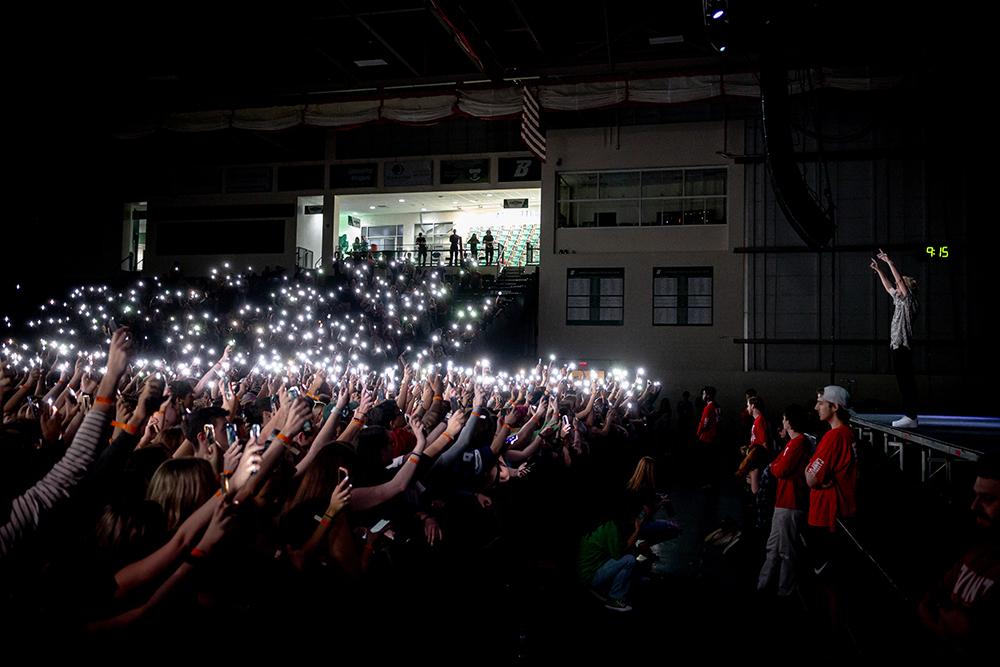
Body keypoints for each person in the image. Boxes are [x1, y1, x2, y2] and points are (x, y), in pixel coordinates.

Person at [918, 452, 1000, 655]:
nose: (974, 506)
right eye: (975, 496)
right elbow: (928, 600)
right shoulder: (978, 551)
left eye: (988, 499)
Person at [805, 385, 858, 632]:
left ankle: (831, 630)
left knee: (828, 580)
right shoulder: (847, 435)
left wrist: (813, 474)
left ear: (834, 407)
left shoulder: (834, 437)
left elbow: (811, 478)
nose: (816, 407)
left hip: (827, 516)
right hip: (837, 514)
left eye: (821, 402)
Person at [757, 404, 812, 597]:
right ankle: (765, 585)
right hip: (784, 502)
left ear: (789, 421)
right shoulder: (793, 443)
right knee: (774, 547)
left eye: (784, 418)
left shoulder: (798, 443)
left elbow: (780, 469)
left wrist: (774, 468)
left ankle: (784, 590)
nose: (782, 422)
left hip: (791, 503)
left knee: (786, 550)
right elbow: (777, 465)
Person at [871, 249, 919, 428]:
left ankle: (911, 416)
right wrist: (879, 270)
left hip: (903, 346)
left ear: (906, 289)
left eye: (900, 287)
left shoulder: (909, 301)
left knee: (906, 382)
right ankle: (909, 415)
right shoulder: (899, 300)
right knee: (902, 382)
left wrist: (889, 262)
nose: (897, 289)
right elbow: (889, 286)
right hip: (896, 345)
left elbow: (898, 281)